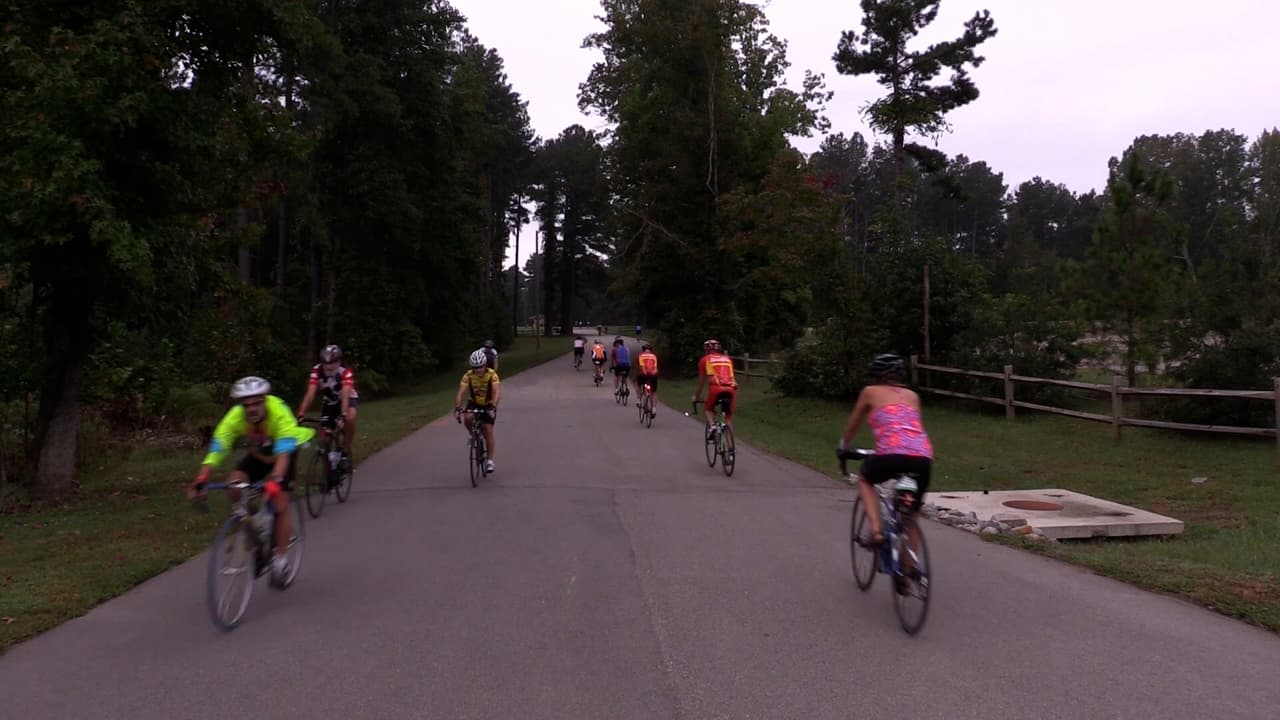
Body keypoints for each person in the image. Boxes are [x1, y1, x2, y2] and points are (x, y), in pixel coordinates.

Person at [188, 376, 314, 585]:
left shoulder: (278, 412)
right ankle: (255, 527)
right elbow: (218, 447)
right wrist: (202, 477)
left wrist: (275, 481)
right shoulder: (235, 417)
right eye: (247, 405)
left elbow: (283, 454)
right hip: (260, 455)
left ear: (265, 400)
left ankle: (281, 559)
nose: (252, 409)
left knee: (279, 499)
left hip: (284, 453)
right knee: (234, 484)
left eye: (257, 403)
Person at [837, 353, 933, 588]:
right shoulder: (913, 396)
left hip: (890, 454)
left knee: (865, 480)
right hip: (922, 458)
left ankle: (877, 531)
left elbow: (852, 426)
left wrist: (844, 446)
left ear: (876, 375)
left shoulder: (870, 392)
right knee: (910, 518)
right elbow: (909, 429)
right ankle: (907, 576)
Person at [296, 344, 358, 475]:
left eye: (333, 363)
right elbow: (310, 393)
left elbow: (345, 394)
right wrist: (301, 413)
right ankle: (329, 472)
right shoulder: (317, 371)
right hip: (329, 402)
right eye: (326, 363)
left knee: (349, 418)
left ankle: (346, 450)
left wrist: (343, 414)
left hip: (347, 399)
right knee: (325, 439)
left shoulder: (345, 372)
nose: (329, 366)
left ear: (339, 361)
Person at [455, 349, 501, 473]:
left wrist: (493, 407)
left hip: (488, 404)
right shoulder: (468, 376)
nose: (478, 370)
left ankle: (490, 461)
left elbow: (496, 392)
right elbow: (461, 393)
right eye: (475, 368)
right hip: (474, 402)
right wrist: (458, 407)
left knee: (488, 431)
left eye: (480, 367)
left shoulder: (492, 375)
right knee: (467, 417)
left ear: (485, 365)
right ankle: (473, 435)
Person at [692, 339, 738, 434]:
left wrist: (696, 396)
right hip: (731, 389)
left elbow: (701, 381)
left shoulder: (705, 360)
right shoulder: (727, 359)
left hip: (716, 388)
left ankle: (712, 426)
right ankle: (731, 441)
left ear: (706, 349)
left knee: (708, 408)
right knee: (728, 418)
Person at [635, 342, 660, 414]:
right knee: (653, 392)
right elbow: (655, 367)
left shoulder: (641, 355)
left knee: (639, 385)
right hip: (653, 375)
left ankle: (639, 400)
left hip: (644, 374)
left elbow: (641, 366)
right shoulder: (654, 356)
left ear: (643, 349)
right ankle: (654, 409)